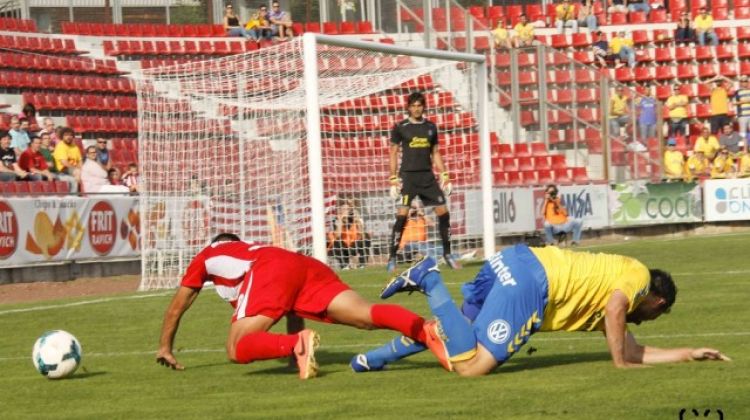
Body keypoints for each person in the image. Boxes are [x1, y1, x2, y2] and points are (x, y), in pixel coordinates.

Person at [362, 245, 730, 376]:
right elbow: (619, 312)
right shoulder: (637, 278)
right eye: (654, 316)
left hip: (515, 259)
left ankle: (373, 359)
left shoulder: (609, 291)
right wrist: (619, 364)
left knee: (456, 330)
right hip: (533, 282)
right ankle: (431, 279)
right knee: (470, 368)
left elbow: (633, 349)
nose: (644, 320)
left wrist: (689, 354)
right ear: (658, 303)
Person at [156, 233, 429, 379]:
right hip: (302, 263)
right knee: (365, 315)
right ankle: (426, 329)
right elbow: (288, 302)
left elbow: (176, 308)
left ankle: (297, 346)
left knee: (236, 347)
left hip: (271, 269)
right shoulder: (254, 248)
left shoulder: (206, 255)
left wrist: (165, 347)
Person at [386, 92, 459, 273]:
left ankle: (447, 254)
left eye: (419, 105)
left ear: (423, 106)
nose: (416, 108)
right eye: (413, 105)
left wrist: (444, 175)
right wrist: (393, 179)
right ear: (408, 107)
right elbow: (393, 153)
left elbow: (435, 152)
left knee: (444, 212)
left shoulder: (431, 127)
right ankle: (393, 257)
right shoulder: (400, 127)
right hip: (408, 178)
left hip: (427, 177)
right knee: (402, 216)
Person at [329, 199, 371, 269]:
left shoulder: (354, 219)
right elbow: (337, 236)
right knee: (337, 242)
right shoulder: (335, 220)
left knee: (366, 238)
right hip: (340, 248)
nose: (346, 211)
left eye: (347, 209)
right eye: (344, 209)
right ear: (340, 211)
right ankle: (345, 266)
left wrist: (358, 222)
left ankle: (362, 265)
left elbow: (363, 235)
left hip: (353, 246)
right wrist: (341, 221)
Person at [734, 76, 750, 142]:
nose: (744, 83)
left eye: (745, 81)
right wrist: (745, 101)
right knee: (743, 134)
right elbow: (734, 102)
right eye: (742, 81)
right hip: (742, 115)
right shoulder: (737, 92)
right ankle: (745, 149)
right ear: (740, 83)